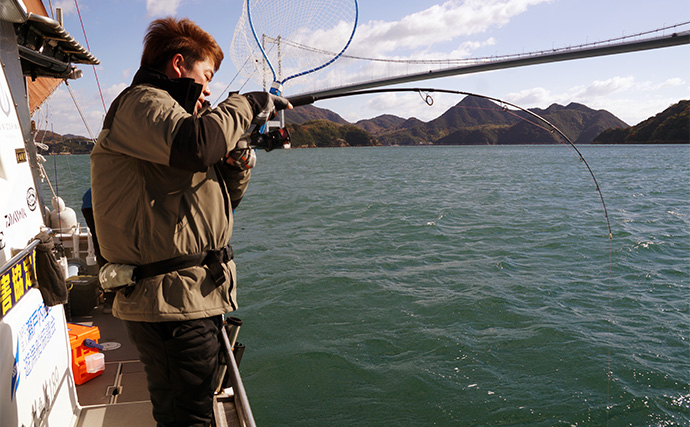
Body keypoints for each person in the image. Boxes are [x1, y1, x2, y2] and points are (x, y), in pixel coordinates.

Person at [90, 17, 290, 426]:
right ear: (178, 65)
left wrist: (236, 164)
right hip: (170, 304)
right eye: (207, 75)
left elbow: (219, 203)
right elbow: (194, 145)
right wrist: (247, 104)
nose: (210, 89)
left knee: (192, 409)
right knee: (187, 417)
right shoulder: (141, 103)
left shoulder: (172, 126)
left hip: (192, 297)